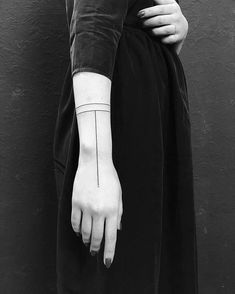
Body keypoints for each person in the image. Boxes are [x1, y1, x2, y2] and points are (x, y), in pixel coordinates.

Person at [53, 0, 198, 293]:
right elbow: (93, 23)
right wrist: (96, 163)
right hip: (120, 114)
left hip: (147, 109)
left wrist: (170, 32)